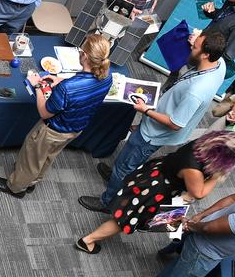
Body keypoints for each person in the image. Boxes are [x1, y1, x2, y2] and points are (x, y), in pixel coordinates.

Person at [82, 31, 227, 214]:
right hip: (157, 122)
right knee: (127, 162)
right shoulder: (219, 64)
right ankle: (116, 176)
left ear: (206, 54)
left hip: (153, 134)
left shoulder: (195, 91)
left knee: (126, 166)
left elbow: (175, 123)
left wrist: (146, 111)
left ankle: (108, 202)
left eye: (195, 46)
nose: (191, 46)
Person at [75, 129, 235, 254]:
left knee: (142, 215)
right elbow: (199, 193)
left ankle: (136, 217)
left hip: (160, 176)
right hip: (157, 190)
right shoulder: (193, 169)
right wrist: (217, 175)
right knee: (125, 220)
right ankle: (88, 240)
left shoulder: (202, 145)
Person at [0, 33, 112, 198]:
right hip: (76, 128)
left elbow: (44, 112)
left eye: (80, 49)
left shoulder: (68, 88)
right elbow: (85, 86)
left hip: (52, 130)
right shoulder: (107, 76)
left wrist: (37, 86)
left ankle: (16, 187)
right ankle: (32, 182)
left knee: (31, 158)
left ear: (85, 56)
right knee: (48, 156)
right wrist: (60, 79)